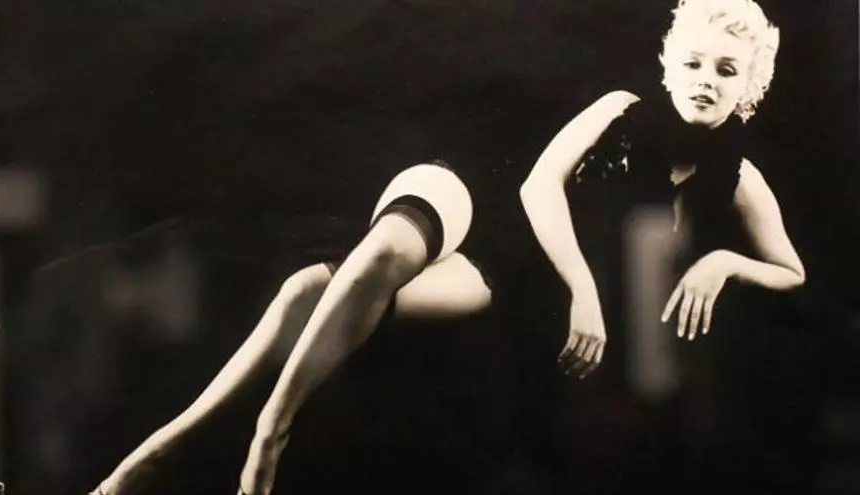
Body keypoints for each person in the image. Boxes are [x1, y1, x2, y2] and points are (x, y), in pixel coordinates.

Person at [89, 162, 493, 495]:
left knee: (311, 288)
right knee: (313, 285)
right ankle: (178, 449)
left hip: (489, 266)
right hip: (451, 193)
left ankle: (248, 434)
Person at [519, 0, 805, 379]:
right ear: (671, 68)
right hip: (552, 292)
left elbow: (791, 272)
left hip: (639, 339)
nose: (706, 80)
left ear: (748, 85)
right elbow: (538, 186)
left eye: (726, 70)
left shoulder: (741, 177)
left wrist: (725, 262)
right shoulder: (617, 111)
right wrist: (582, 291)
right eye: (692, 64)